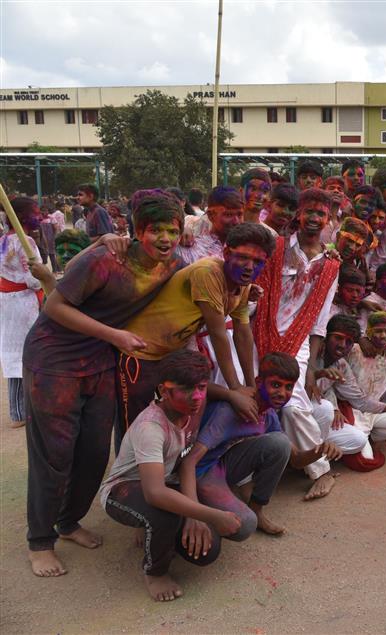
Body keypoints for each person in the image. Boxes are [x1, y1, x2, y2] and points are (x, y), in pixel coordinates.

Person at [22, 191, 184, 578]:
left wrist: (245, 296)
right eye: (154, 230)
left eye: (172, 231)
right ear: (136, 230)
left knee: (95, 451)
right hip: (54, 359)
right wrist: (113, 335)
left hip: (101, 361)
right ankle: (40, 541)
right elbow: (54, 307)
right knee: (55, 454)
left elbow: (205, 282)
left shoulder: (173, 264)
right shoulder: (106, 259)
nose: (164, 238)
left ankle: (68, 521)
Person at [98, 350, 242, 602]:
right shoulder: (151, 427)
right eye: (186, 389)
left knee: (208, 551)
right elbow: (154, 493)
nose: (197, 397)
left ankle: (151, 528)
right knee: (162, 512)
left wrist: (193, 515)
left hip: (165, 482)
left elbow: (186, 461)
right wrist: (210, 514)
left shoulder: (191, 408)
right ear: (164, 392)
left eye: (201, 387)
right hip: (124, 489)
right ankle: (155, 572)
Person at [119, 223, 274, 441]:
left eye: (258, 262)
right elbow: (218, 332)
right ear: (227, 252)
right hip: (140, 351)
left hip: (171, 354)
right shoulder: (208, 272)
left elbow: (243, 334)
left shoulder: (243, 283)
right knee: (133, 424)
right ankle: (129, 474)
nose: (249, 266)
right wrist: (236, 388)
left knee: (179, 418)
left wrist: (251, 385)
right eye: (243, 257)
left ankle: (168, 468)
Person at [251, 188, 342, 500]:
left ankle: (322, 471)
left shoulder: (330, 264)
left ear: (329, 220)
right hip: (259, 332)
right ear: (298, 214)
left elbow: (320, 319)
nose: (314, 219)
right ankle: (248, 469)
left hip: (297, 339)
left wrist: (312, 367)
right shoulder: (274, 246)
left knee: (290, 403)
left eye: (321, 214)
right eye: (309, 212)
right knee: (252, 395)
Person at [185, 353, 318, 537]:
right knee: (245, 526)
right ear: (259, 382)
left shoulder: (268, 412)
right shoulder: (228, 411)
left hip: (222, 466)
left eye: (289, 387)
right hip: (201, 472)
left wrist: (320, 451)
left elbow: (295, 459)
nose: (282, 393)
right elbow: (190, 461)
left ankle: (256, 510)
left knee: (280, 443)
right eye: (276, 385)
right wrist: (193, 513)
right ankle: (185, 511)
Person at [322, 312, 386, 471]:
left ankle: (372, 436)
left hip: (375, 411)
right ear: (369, 332)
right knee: (365, 460)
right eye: (378, 331)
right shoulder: (354, 349)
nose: (383, 335)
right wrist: (334, 407)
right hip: (352, 409)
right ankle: (361, 437)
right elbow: (331, 381)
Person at [2, 198, 55, 428]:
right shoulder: (26, 242)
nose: (39, 217)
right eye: (35, 212)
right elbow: (34, 279)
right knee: (22, 353)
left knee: (12, 351)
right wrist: (47, 280)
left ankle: (19, 409)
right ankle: (20, 411)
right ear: (22, 216)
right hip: (22, 303)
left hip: (8, 302)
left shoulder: (3, 241)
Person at [177, 186, 244, 264]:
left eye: (240, 214)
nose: (236, 221)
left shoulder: (246, 250)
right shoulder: (192, 249)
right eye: (228, 215)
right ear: (211, 215)